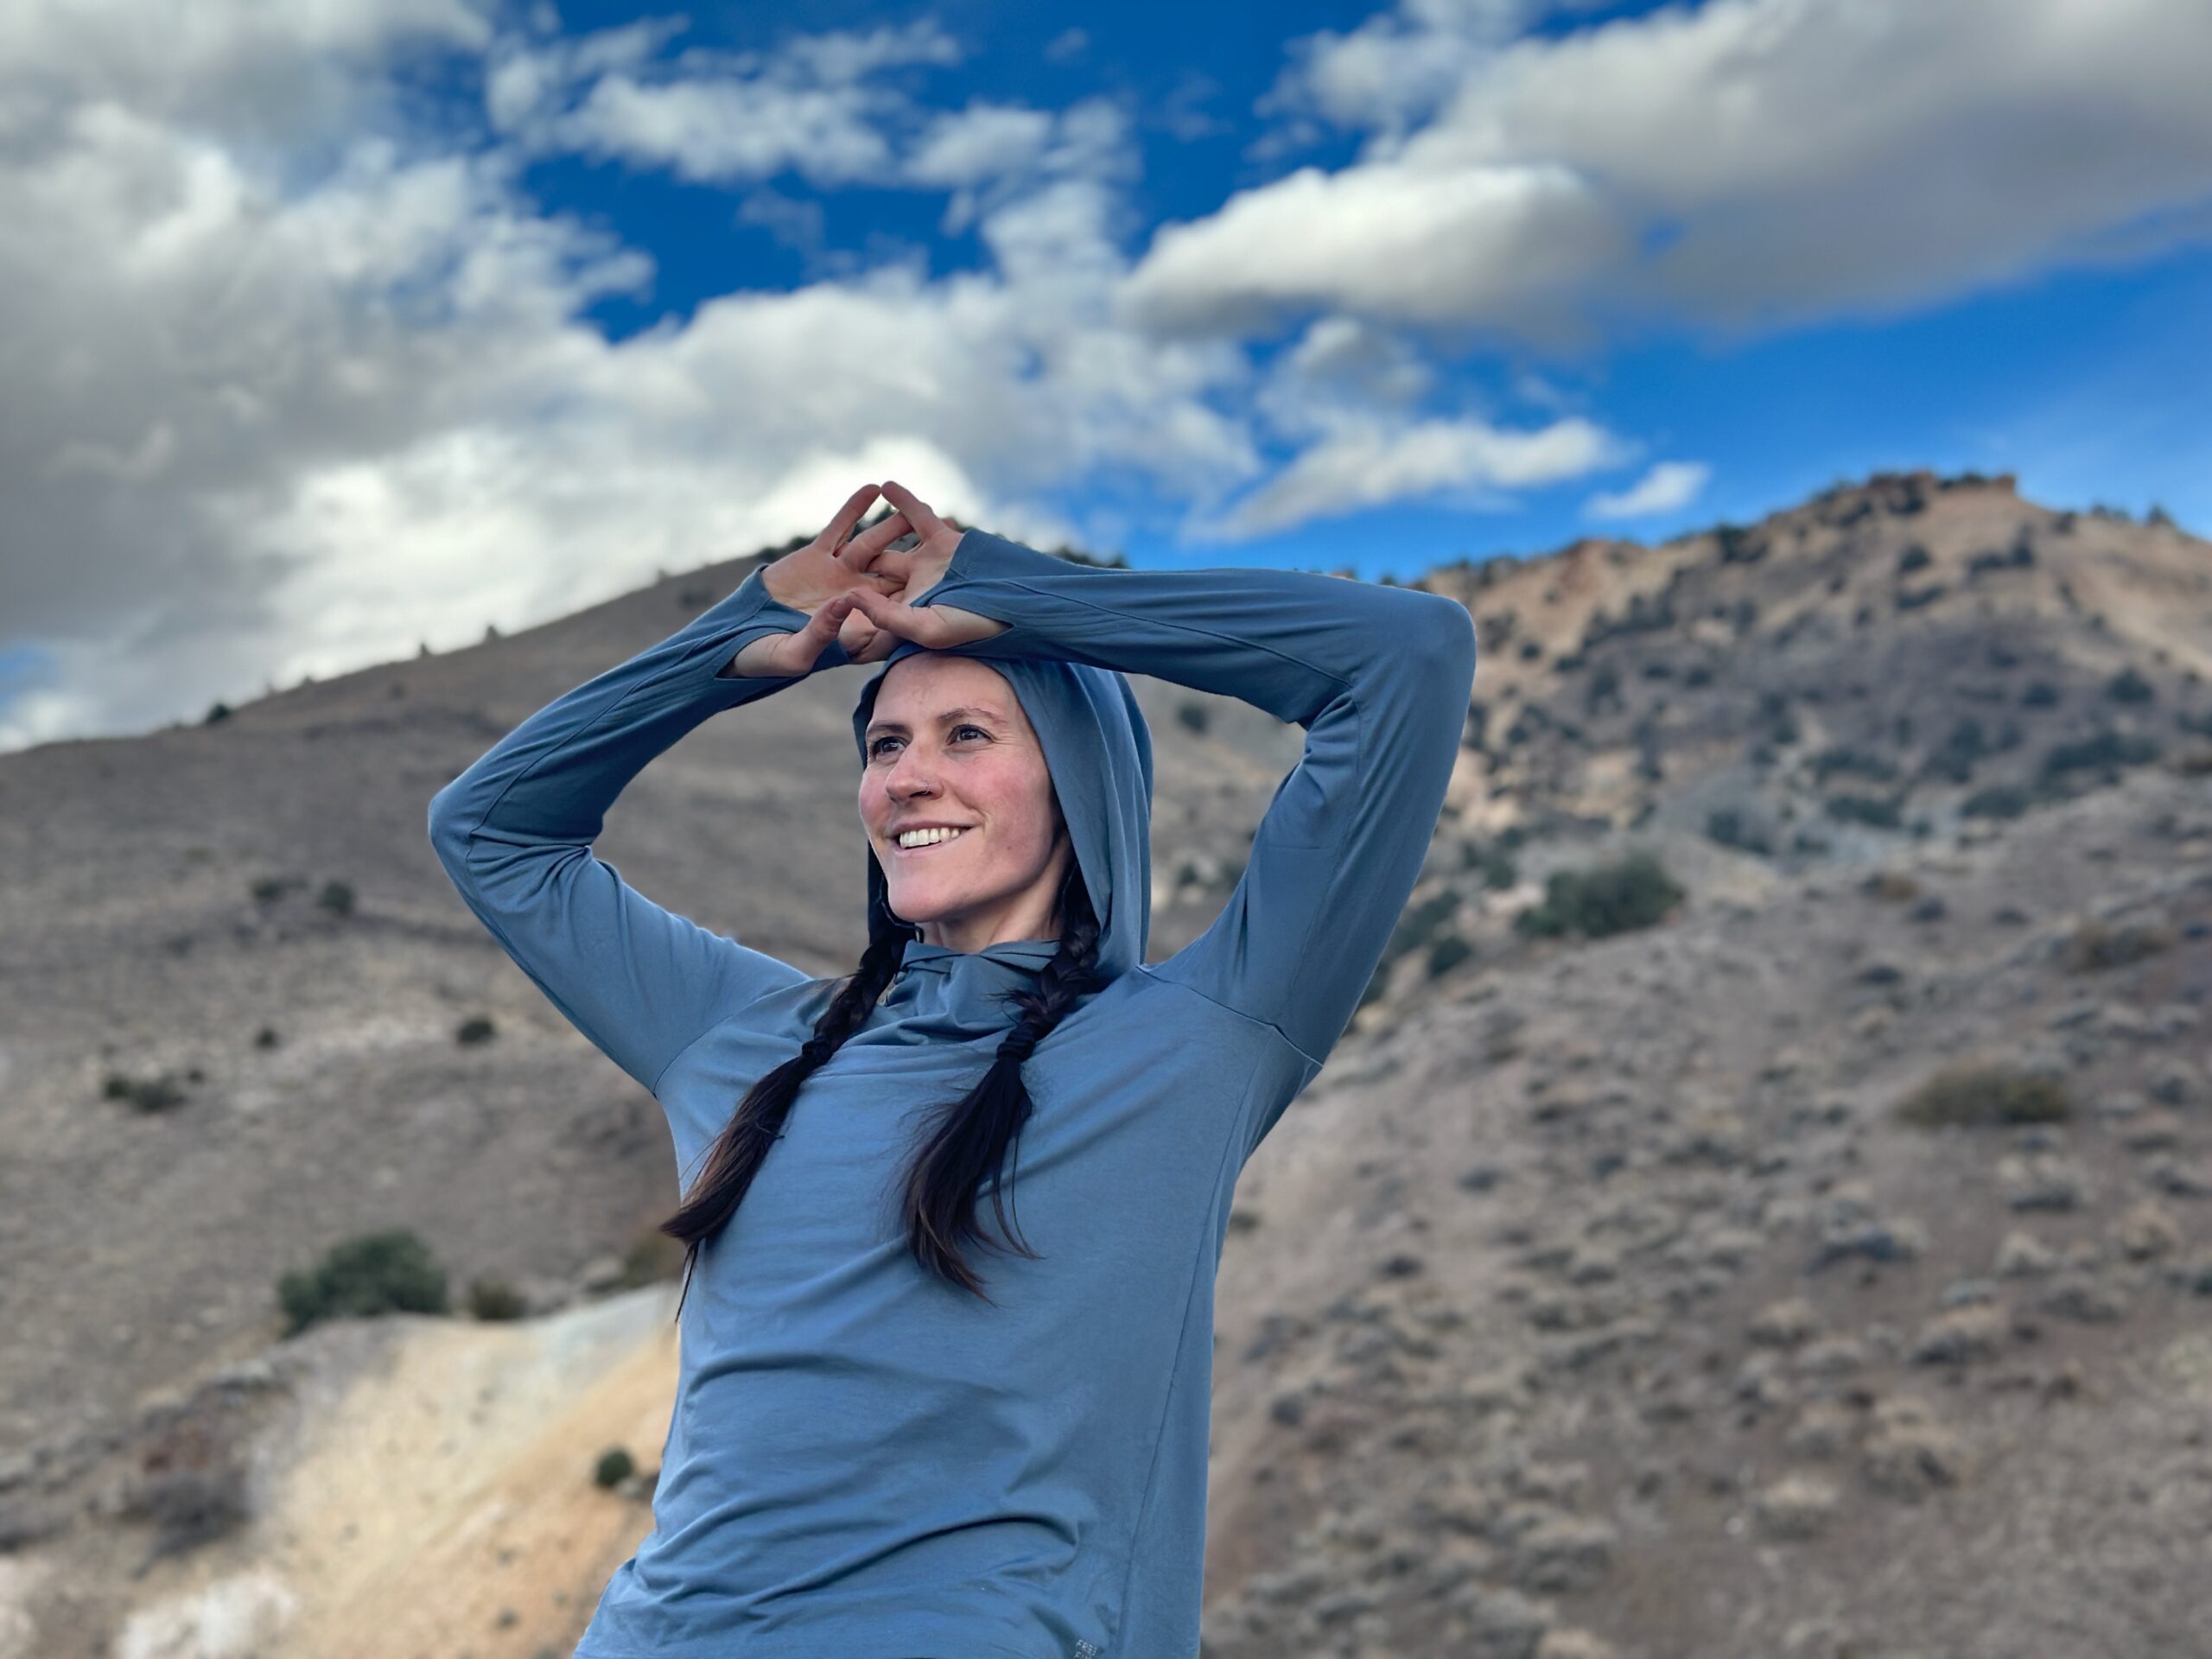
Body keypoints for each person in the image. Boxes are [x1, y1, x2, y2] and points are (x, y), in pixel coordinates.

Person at [426, 480, 1478, 1659]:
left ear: (1081, 784)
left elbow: (1409, 658)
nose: (905, 779)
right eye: (885, 745)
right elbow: (492, 832)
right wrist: (738, 633)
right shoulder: (750, 1043)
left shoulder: (1197, 1044)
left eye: (966, 736)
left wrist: (1018, 600)